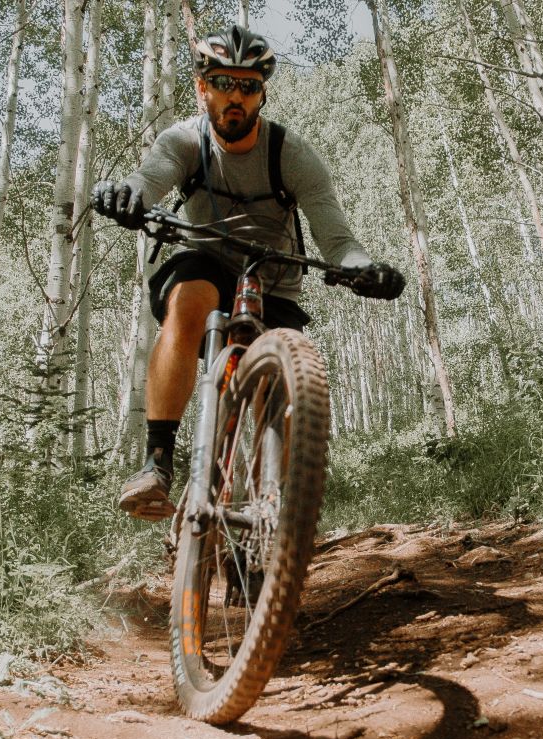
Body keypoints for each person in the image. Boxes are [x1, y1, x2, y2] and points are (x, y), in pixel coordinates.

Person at [92, 24, 404, 521]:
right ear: (202, 88)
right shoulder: (184, 141)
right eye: (222, 83)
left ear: (261, 94)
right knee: (191, 294)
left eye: (248, 86)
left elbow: (338, 240)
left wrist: (365, 270)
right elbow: (149, 178)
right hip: (207, 267)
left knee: (280, 389)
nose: (234, 97)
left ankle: (274, 516)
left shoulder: (291, 154)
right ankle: (157, 462)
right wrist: (129, 195)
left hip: (273, 283)